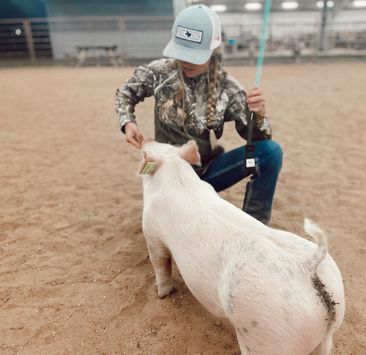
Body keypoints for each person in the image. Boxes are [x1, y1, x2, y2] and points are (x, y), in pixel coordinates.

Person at [115, 4, 283, 225]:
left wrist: (258, 115)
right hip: (165, 173)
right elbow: (125, 92)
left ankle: (256, 225)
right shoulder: (159, 72)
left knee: (269, 153)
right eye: (181, 52)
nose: (186, 61)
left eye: (194, 55)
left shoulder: (228, 88)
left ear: (212, 50)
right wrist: (127, 122)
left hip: (206, 175)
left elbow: (256, 140)